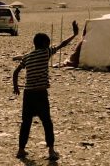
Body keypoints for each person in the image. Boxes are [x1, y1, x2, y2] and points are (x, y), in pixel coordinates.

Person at [12, 21, 79, 161]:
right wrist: (74, 34)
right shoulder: (45, 53)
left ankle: (21, 150)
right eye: (47, 43)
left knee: (26, 123)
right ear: (43, 44)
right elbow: (62, 44)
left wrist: (16, 87)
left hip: (28, 94)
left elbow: (16, 71)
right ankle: (51, 151)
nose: (49, 45)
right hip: (41, 94)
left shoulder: (27, 56)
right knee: (47, 122)